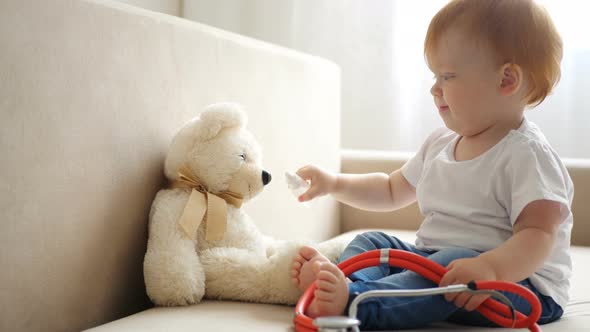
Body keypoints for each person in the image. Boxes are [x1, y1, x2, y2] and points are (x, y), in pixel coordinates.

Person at [290, 0, 574, 330]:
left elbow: (539, 235)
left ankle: (357, 303)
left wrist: (491, 269)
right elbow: (390, 189)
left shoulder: (528, 155)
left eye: (448, 76)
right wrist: (334, 184)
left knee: (452, 261)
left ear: (506, 79)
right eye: (435, 75)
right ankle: (344, 283)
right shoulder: (440, 143)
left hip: (517, 286)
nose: (434, 88)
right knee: (373, 242)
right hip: (437, 264)